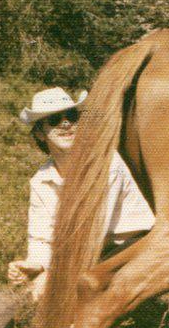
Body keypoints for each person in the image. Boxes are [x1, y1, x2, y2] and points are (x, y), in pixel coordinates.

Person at [8, 88, 155, 301]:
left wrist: (52, 274)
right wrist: (36, 266)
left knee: (79, 290)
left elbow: (94, 230)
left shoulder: (105, 164)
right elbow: (41, 236)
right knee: (41, 289)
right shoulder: (41, 180)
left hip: (130, 248)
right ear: (39, 133)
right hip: (93, 253)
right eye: (54, 120)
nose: (66, 124)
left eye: (72, 116)